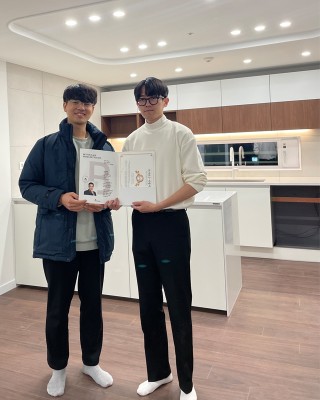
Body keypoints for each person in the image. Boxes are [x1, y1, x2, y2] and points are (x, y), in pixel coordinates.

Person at [19, 83, 119, 397]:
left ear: (93, 109)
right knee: (57, 309)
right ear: (65, 106)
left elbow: (112, 189)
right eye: (75, 101)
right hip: (58, 245)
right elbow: (27, 185)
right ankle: (58, 368)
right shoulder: (46, 145)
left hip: (94, 243)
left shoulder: (104, 147)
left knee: (93, 308)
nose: (81, 107)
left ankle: (91, 363)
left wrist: (112, 201)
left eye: (87, 103)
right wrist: (59, 198)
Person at [122, 77, 207, 400]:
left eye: (153, 98)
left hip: (171, 224)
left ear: (165, 101)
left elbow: (197, 181)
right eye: (141, 100)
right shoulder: (132, 139)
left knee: (179, 304)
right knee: (148, 305)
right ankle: (158, 373)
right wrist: (115, 198)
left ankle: (187, 384)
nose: (147, 104)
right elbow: (127, 184)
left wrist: (158, 205)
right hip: (141, 225)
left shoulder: (181, 133)